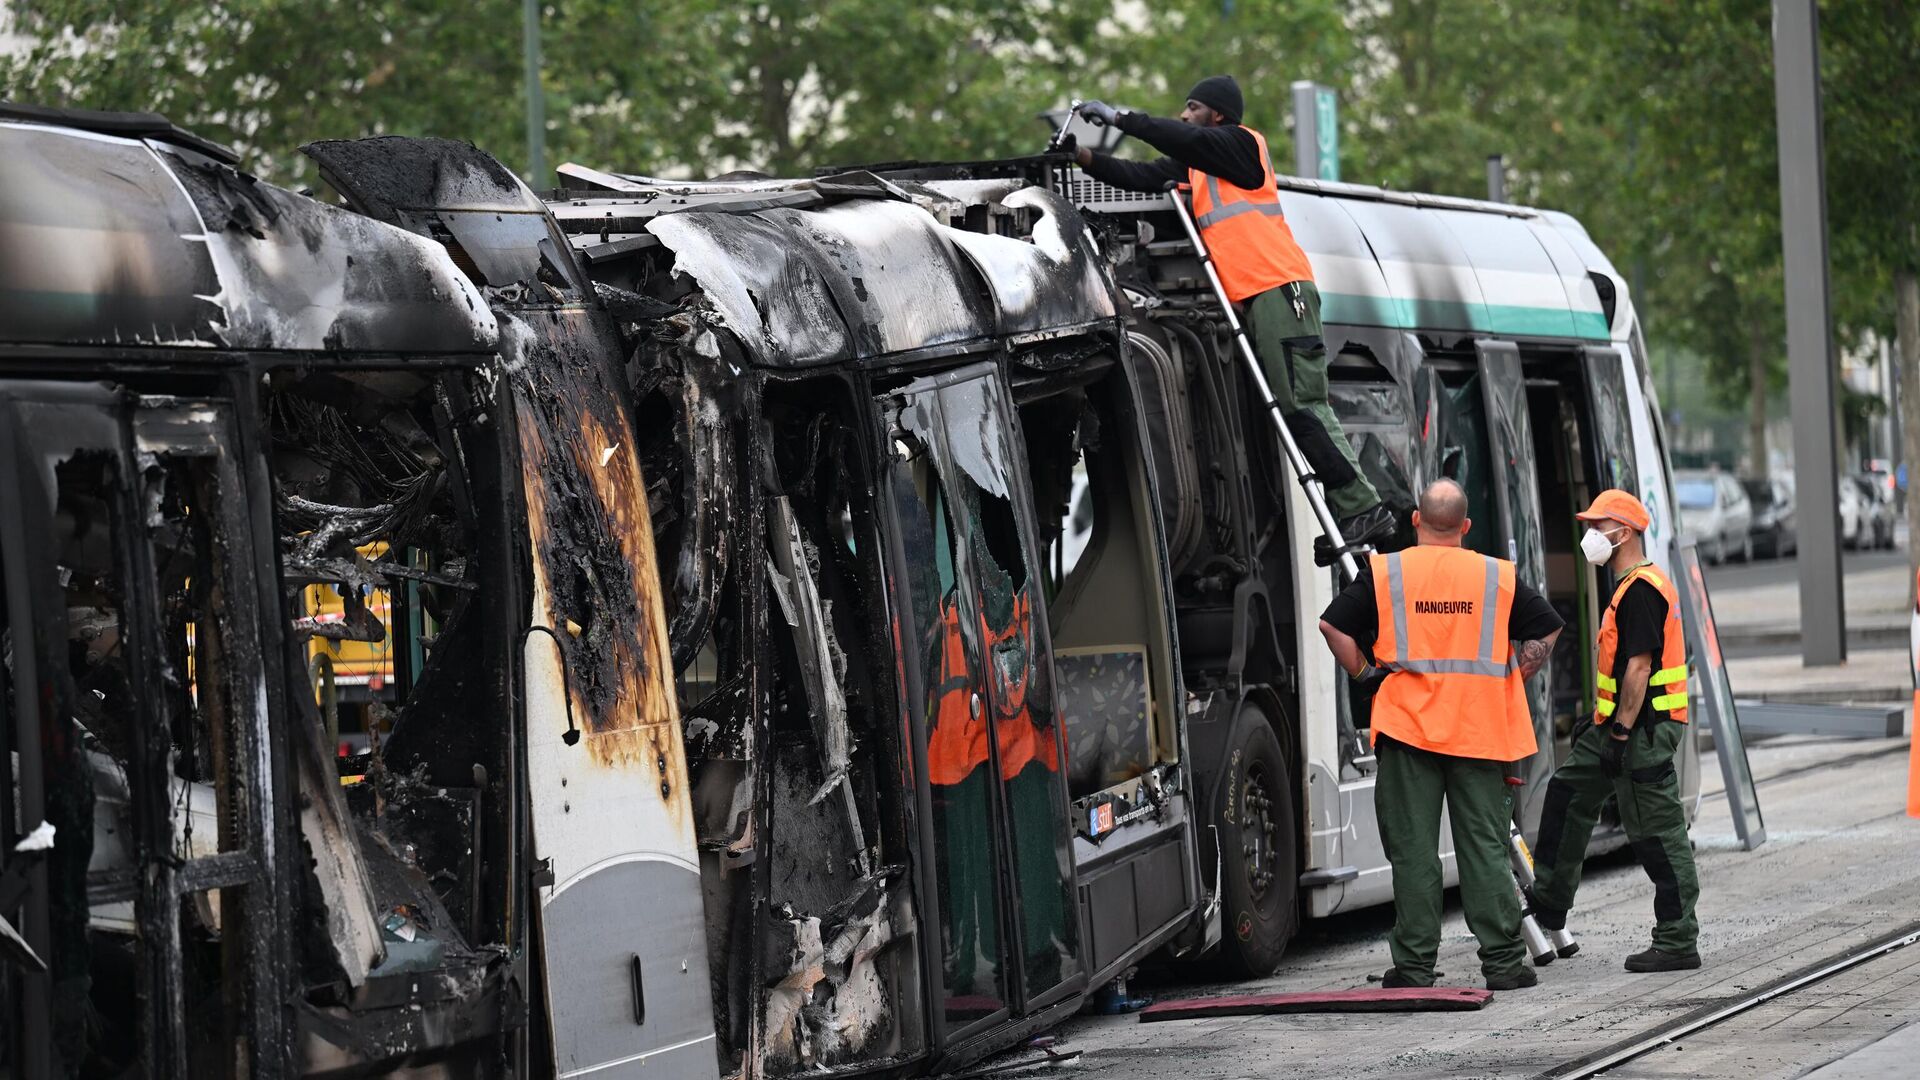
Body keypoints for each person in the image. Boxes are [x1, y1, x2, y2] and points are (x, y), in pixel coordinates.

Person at [1066, 77, 1393, 549]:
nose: (1184, 115)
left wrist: (1121, 119)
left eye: (1192, 106)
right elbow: (1140, 175)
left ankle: (1363, 508)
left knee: (1302, 404)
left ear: (1218, 115)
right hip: (1261, 295)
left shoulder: (1242, 146)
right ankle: (1354, 508)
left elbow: (1187, 139)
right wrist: (1084, 158)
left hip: (1281, 290)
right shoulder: (1200, 170)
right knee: (1292, 406)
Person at [1318, 479, 1561, 990]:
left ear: (1415, 521)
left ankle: (1414, 968)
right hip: (1479, 733)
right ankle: (1502, 964)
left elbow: (1333, 628)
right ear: (1465, 527)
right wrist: (1515, 672)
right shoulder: (1495, 576)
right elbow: (1548, 627)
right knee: (1486, 849)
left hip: (1408, 733)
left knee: (1413, 853)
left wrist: (1367, 675)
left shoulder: (1387, 573)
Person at [1527, 489, 1702, 972]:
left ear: (1622, 532)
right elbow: (1623, 668)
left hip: (1645, 730)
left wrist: (1621, 731)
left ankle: (1678, 939)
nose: (1591, 535)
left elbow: (1640, 669)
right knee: (1567, 790)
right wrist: (1601, 720)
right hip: (1622, 724)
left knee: (1655, 831)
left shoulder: (1642, 589)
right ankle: (1550, 900)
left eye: (1598, 525)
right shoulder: (1627, 586)